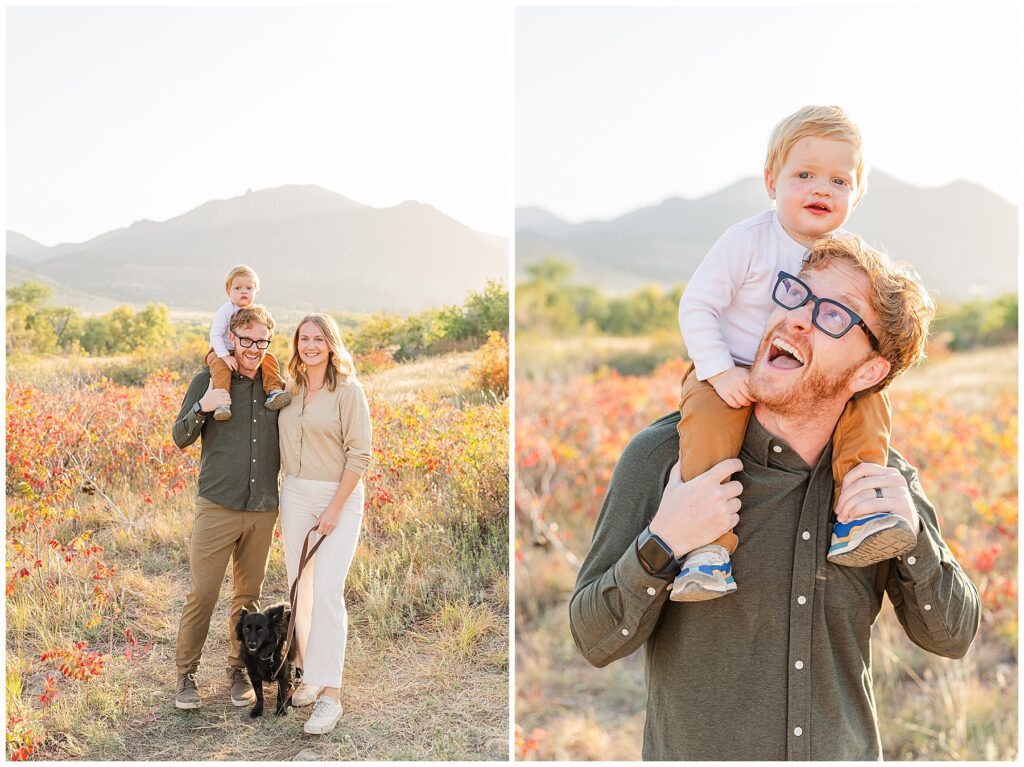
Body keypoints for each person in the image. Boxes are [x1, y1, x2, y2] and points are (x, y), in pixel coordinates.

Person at [569, 237, 980, 760]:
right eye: (795, 296)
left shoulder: (883, 481)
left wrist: (915, 540)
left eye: (833, 315)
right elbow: (592, 638)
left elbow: (953, 636)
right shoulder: (664, 460)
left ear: (869, 372)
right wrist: (664, 541)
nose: (797, 320)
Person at [672, 106, 910, 602]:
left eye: (839, 181)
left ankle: (860, 508)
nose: (821, 188)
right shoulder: (747, 242)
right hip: (730, 365)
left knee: (870, 402)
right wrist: (717, 371)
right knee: (710, 426)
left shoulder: (847, 257)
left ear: (856, 195)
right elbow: (698, 306)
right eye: (804, 174)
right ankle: (707, 548)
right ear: (770, 182)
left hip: (806, 372)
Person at [171, 304, 283, 710]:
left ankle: (239, 669)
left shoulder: (276, 387)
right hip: (217, 505)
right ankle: (186, 675)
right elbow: (180, 436)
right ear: (231, 338)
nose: (253, 348)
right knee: (202, 593)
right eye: (246, 340)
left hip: (262, 508)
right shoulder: (208, 379)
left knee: (247, 597)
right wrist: (203, 407)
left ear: (269, 341)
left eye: (261, 341)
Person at [277, 313, 372, 735]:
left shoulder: (349, 392)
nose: (310, 345)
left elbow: (360, 455)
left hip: (340, 496)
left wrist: (334, 507)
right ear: (296, 344)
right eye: (304, 338)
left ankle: (331, 696)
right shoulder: (291, 390)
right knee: (301, 587)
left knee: (330, 591)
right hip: (294, 493)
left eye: (318, 339)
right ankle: (310, 674)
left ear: (331, 344)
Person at [205, 264, 291, 420]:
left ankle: (273, 391)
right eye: (237, 288)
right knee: (221, 369)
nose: (243, 291)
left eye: (249, 288)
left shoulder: (256, 311)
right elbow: (215, 336)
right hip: (220, 350)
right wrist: (225, 356)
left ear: (256, 292)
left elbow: (265, 330)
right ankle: (222, 403)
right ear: (228, 292)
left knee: (269, 359)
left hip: (243, 350)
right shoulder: (225, 310)